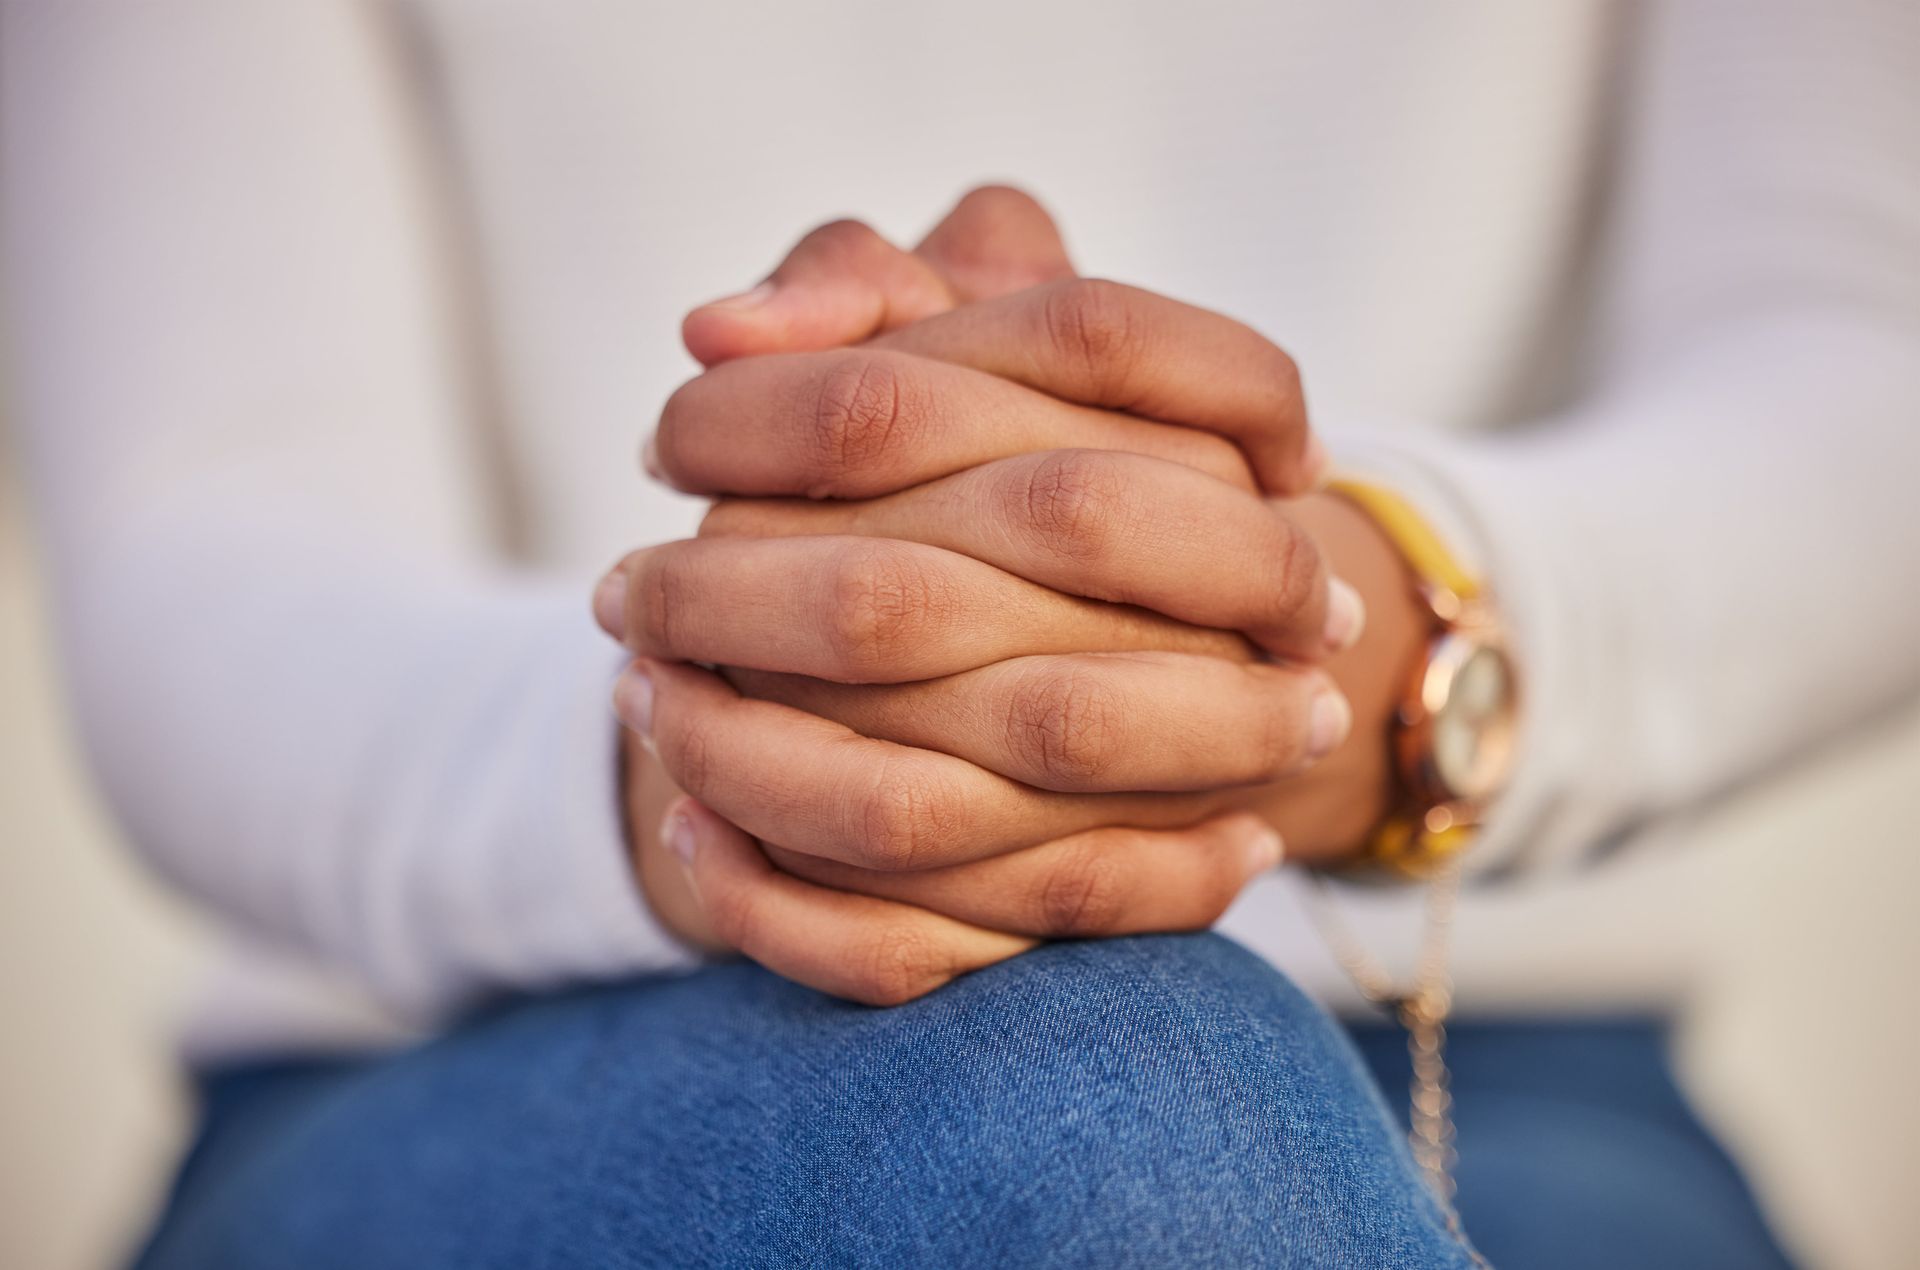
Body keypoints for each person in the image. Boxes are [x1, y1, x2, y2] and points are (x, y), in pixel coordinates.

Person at [3, 2, 1915, 1266]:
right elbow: (208, 537)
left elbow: (1866, 369)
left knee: (1133, 1119)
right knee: (1121, 1107)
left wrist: (1316, 648)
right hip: (452, 1057)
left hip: (1501, 1063)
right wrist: (739, 732)